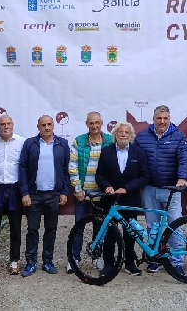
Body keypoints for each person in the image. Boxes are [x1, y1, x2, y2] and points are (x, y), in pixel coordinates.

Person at [135, 105, 187, 274]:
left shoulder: (179, 136)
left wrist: (182, 177)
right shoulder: (142, 136)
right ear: (153, 119)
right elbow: (135, 159)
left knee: (175, 224)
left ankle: (177, 262)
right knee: (153, 226)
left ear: (170, 119)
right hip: (149, 188)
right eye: (159, 118)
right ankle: (156, 258)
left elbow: (184, 158)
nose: (162, 121)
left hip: (171, 188)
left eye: (165, 118)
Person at [19, 115, 71, 277]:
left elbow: (66, 170)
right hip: (34, 194)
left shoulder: (62, 144)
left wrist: (64, 192)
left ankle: (48, 261)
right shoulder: (30, 143)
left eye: (49, 124)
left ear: (53, 125)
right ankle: (31, 262)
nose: (47, 127)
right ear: (38, 127)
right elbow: (22, 168)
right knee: (32, 230)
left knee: (51, 229)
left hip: (53, 194)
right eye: (43, 125)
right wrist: (24, 192)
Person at [95, 122, 149, 276]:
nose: (123, 134)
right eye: (120, 132)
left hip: (130, 199)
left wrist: (127, 188)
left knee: (130, 232)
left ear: (131, 135)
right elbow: (99, 175)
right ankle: (109, 264)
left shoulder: (139, 153)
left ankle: (130, 262)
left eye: (127, 132)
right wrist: (106, 186)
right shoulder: (106, 152)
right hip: (110, 199)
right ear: (115, 135)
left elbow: (144, 176)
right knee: (110, 232)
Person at [67, 111, 114, 273]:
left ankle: (96, 257)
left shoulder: (110, 140)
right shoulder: (79, 141)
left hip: (102, 194)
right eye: (91, 123)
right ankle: (74, 258)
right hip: (83, 193)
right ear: (87, 124)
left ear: (102, 123)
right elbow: (72, 166)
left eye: (97, 122)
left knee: (100, 227)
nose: (94, 126)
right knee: (79, 227)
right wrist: (77, 189)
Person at [0, 114, 26, 277]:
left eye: (9, 124)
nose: (6, 127)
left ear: (13, 125)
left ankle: (14, 261)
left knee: (15, 226)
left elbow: (25, 167)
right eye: (3, 124)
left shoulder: (22, 142)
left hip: (15, 188)